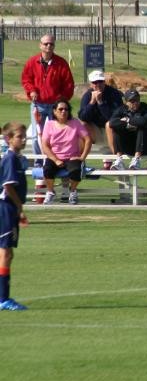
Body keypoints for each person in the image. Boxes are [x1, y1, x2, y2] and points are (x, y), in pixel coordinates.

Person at [20, 34, 75, 157]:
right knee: (35, 135)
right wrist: (31, 90)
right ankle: (38, 161)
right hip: (37, 105)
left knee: (55, 135)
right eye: (46, 44)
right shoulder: (32, 62)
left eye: (51, 44)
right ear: (40, 45)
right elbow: (26, 79)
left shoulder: (61, 63)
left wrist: (62, 100)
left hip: (55, 108)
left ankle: (54, 159)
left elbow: (69, 84)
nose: (48, 46)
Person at [40, 99, 92, 205]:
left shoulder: (75, 123)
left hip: (72, 157)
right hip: (55, 157)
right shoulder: (49, 124)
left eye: (66, 109)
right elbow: (45, 145)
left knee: (76, 170)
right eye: (60, 109)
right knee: (47, 169)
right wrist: (55, 159)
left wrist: (82, 157)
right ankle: (50, 192)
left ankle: (72, 192)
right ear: (54, 111)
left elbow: (88, 139)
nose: (64, 111)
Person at [0, 122, 29, 311]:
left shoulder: (16, 158)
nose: (24, 139)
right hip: (6, 208)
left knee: (7, 253)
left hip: (8, 208)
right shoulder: (10, 158)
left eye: (24, 136)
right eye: (19, 136)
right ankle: (3, 299)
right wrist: (19, 208)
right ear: (9, 139)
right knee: (5, 252)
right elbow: (8, 186)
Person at [77, 70, 123, 157]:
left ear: (104, 82)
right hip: (96, 132)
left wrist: (101, 103)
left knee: (109, 124)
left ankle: (118, 160)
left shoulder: (114, 94)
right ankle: (81, 161)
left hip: (113, 131)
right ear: (91, 84)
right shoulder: (87, 95)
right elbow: (83, 117)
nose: (98, 84)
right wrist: (92, 102)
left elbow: (113, 117)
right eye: (95, 82)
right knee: (82, 125)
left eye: (100, 81)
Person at [108, 89, 147, 171]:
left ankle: (136, 161)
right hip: (128, 146)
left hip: (146, 146)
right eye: (132, 101)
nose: (135, 103)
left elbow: (144, 121)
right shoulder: (121, 109)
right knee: (116, 129)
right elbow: (112, 123)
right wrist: (128, 125)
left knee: (142, 127)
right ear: (126, 102)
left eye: (137, 100)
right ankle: (119, 160)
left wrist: (128, 120)